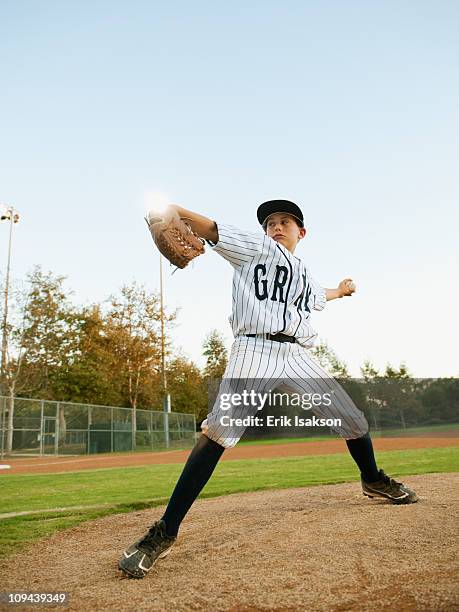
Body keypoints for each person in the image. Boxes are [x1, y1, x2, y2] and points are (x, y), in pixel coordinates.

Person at [118, 199, 418, 579]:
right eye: (271, 222)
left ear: (301, 232)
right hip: (254, 349)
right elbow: (212, 229)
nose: (276, 226)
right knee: (219, 432)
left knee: (353, 420)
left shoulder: (304, 273)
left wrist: (340, 292)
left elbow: (315, 295)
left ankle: (372, 479)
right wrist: (176, 209)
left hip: (298, 354)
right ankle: (164, 533)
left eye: (285, 222)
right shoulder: (257, 247)